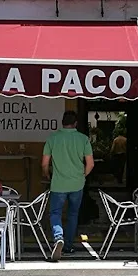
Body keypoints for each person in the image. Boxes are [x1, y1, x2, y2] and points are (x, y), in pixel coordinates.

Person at [42, 111, 94, 260]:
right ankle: (68, 246)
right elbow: (90, 164)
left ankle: (59, 236)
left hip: (58, 184)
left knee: (55, 213)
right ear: (76, 123)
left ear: (62, 122)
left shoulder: (53, 138)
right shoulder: (83, 139)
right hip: (77, 184)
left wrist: (47, 174)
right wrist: (82, 176)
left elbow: (44, 163)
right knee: (73, 214)